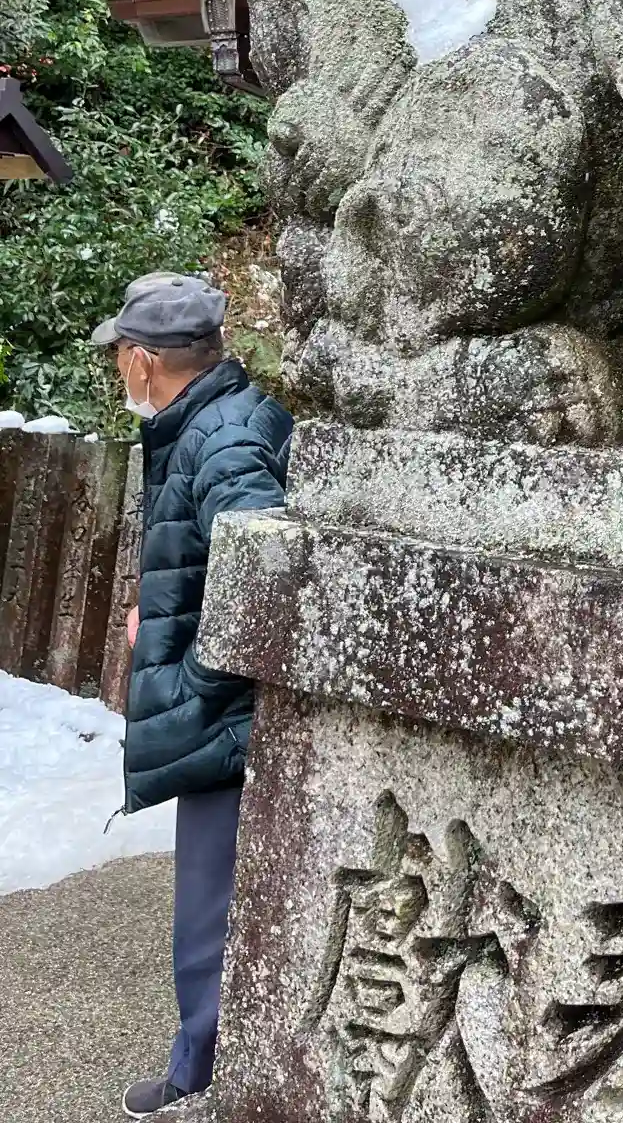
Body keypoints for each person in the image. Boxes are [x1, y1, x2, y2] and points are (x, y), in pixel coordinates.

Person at [91, 273, 291, 1119]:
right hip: (230, 710)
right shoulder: (221, 416)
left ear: (142, 362)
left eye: (118, 358)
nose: (118, 373)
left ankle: (199, 1077)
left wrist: (192, 680)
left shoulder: (223, 438)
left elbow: (266, 567)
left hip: (227, 718)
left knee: (211, 912)